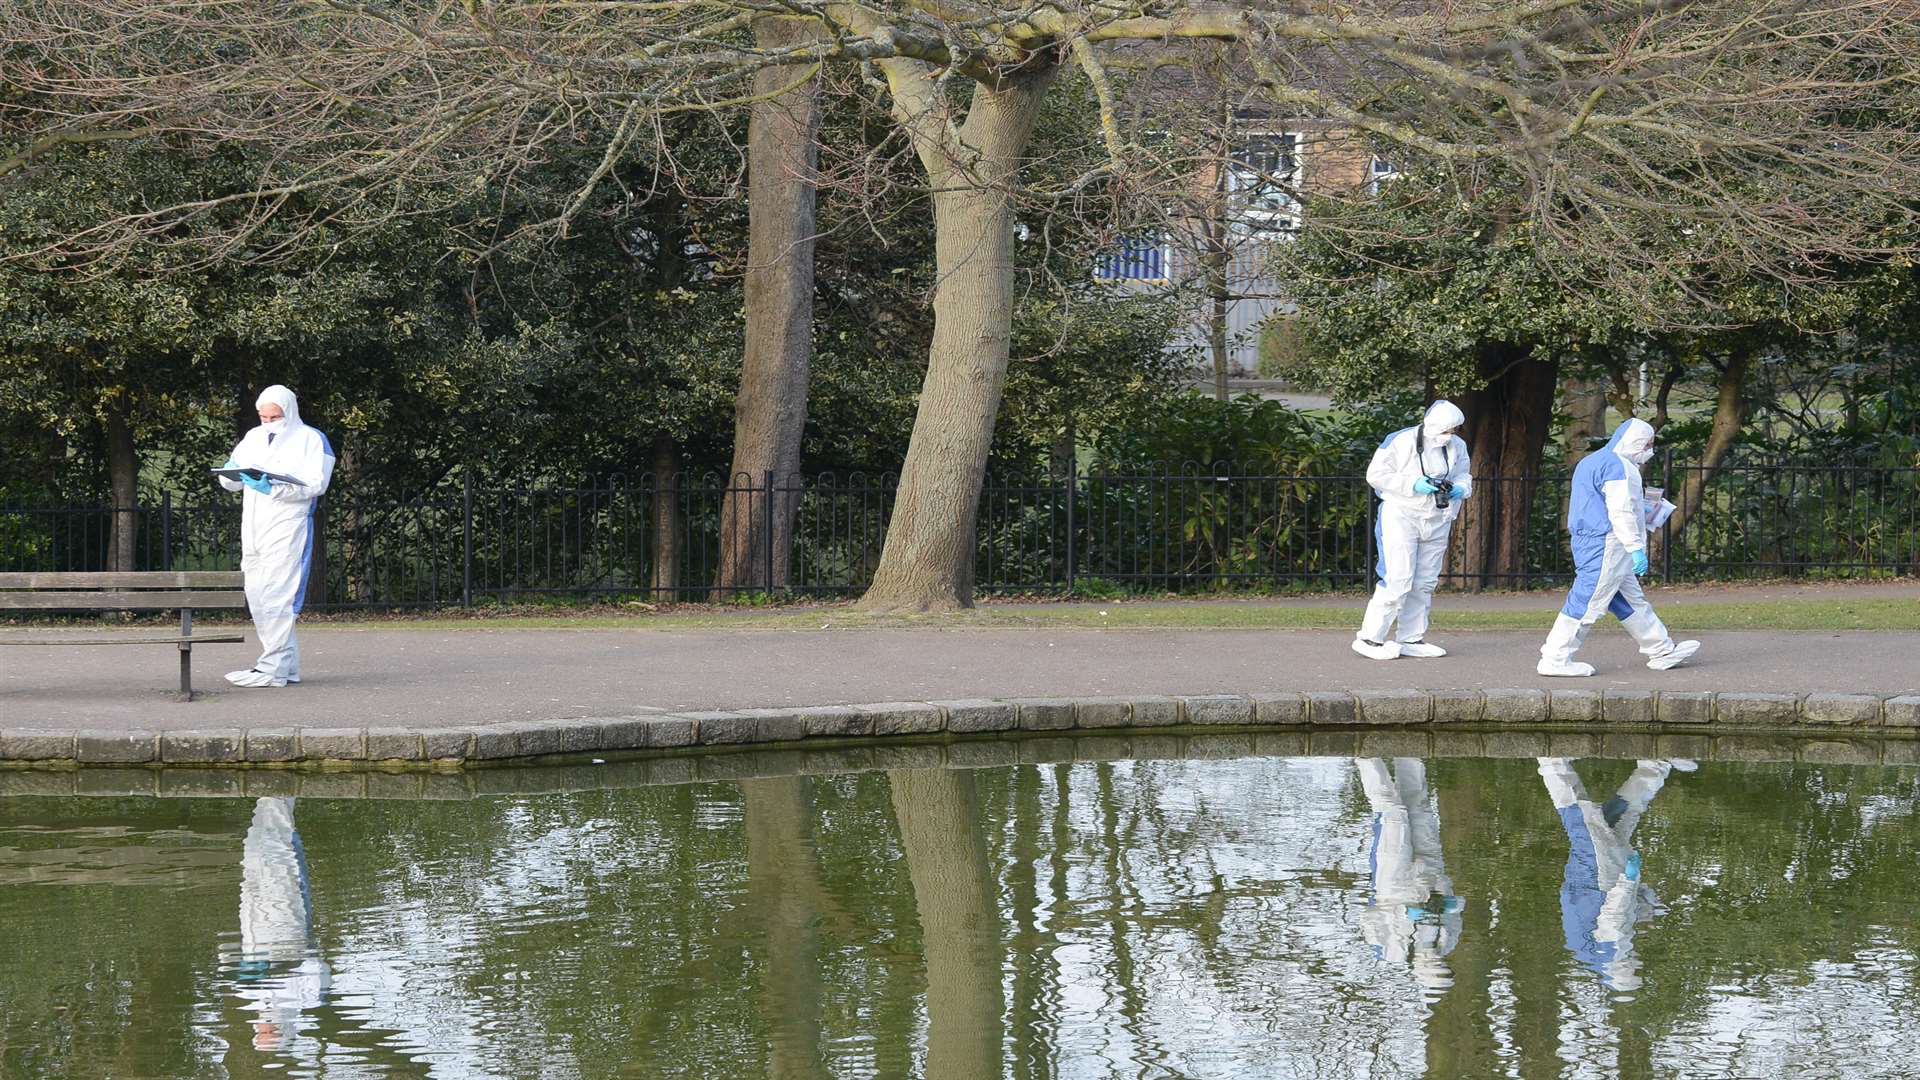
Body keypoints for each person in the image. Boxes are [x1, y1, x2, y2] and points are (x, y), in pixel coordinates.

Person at [1537, 417, 1698, 677]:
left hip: (1595, 540)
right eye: (1647, 444)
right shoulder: (1620, 468)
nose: (1649, 450)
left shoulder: (1592, 462)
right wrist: (1636, 547)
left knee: (1628, 600)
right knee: (1588, 600)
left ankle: (1660, 649)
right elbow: (1621, 511)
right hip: (1607, 544)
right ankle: (1555, 657)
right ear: (1637, 442)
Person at [1537, 757, 1693, 991]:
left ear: (1628, 972)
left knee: (1578, 817)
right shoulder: (1591, 956)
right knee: (1618, 817)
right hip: (1593, 880)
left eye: (1638, 970)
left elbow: (1613, 916)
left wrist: (1629, 883)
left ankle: (1552, 762)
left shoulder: (1613, 954)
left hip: (1597, 877)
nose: (1640, 964)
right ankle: (1654, 767)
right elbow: (1616, 916)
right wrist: (1645, 901)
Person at [219, 385, 336, 688]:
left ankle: (273, 667)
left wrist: (275, 487)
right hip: (254, 526)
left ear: (290, 411)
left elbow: (316, 484)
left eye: (275, 416)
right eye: (263, 416)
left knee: (278, 597)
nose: (269, 421)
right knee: (257, 594)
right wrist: (231, 474)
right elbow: (231, 480)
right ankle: (285, 665)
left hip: (287, 526)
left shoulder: (311, 440)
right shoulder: (254, 437)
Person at [1354, 400, 1473, 660]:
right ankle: (1370, 638)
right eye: (1446, 430)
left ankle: (1411, 638)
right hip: (1401, 514)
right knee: (1398, 577)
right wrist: (1414, 484)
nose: (1449, 436)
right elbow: (1375, 475)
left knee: (1425, 581)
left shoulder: (1457, 446)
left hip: (1438, 517)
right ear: (1432, 426)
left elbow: (1464, 474)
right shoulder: (1401, 441)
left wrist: (1460, 489)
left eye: (1453, 430)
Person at [231, 796, 332, 1055]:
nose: (265, 1025)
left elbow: (235, 964)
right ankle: (278, 798)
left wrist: (248, 969)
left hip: (253, 930)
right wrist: (281, 974)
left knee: (255, 865)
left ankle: (272, 799)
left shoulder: (247, 998)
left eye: (262, 1031)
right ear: (285, 1030)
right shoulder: (306, 999)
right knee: (282, 870)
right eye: (269, 1032)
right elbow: (318, 966)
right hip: (288, 930)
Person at [1355, 757, 1464, 995]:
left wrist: (1404, 913)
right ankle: (1409, 753)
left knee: (1393, 812)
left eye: (1438, 971)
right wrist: (1447, 904)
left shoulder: (1389, 951)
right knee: (1419, 807)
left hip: (1393, 883)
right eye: (1445, 968)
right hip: (1432, 875)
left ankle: (1366, 753)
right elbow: (1457, 908)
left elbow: (1368, 917)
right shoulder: (1449, 941)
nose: (1440, 963)